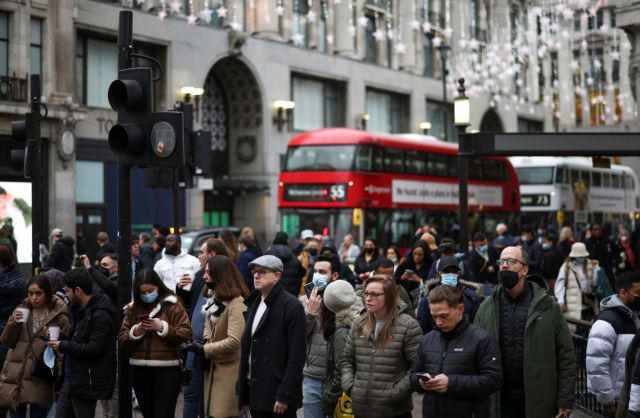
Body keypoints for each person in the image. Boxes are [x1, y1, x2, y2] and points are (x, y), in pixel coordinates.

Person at [474, 246, 575, 418]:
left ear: (525, 270)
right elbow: (474, 353)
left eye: (511, 261)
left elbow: (566, 355)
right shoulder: (487, 307)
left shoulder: (548, 306)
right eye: (501, 261)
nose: (504, 265)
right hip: (499, 402)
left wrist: (565, 400)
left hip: (538, 402)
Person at [410, 285, 502, 418]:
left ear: (460, 309)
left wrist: (451, 383)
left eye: (443, 316)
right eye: (434, 317)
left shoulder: (482, 340)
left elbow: (493, 380)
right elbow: (413, 375)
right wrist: (421, 382)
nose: (439, 322)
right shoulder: (427, 340)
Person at [341, 275, 422, 418]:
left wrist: (396, 392)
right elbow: (347, 359)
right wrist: (350, 386)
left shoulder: (408, 325)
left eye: (375, 294)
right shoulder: (358, 323)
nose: (368, 298)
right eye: (366, 293)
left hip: (394, 411)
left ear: (389, 296)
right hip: (361, 408)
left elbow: (417, 365)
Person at [237, 255, 306, 418]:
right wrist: (243, 390)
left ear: (277, 276)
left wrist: (284, 394)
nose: (256, 275)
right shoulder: (254, 302)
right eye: (254, 271)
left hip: (277, 393)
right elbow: (249, 349)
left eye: (262, 272)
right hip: (255, 389)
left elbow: (297, 356)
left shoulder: (292, 306)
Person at [118, 268, 192, 418]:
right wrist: (136, 331)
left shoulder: (172, 304)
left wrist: (163, 328)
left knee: (164, 413)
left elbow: (186, 333)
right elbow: (122, 338)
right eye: (143, 292)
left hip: (167, 370)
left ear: (158, 286)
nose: (147, 295)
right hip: (139, 370)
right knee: (147, 413)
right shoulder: (133, 309)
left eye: (150, 290)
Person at [49, 268, 116, 418]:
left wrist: (63, 345)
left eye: (67, 291)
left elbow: (95, 349)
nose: (66, 294)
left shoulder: (101, 314)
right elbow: (79, 340)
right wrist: (62, 337)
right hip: (71, 379)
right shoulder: (79, 309)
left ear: (77, 290)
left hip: (86, 382)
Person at [0, 275, 70, 418]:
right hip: (17, 375)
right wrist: (13, 322)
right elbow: (6, 341)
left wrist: (58, 378)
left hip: (41, 375)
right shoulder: (21, 310)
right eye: (30, 293)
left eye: (38, 293)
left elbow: (65, 349)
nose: (34, 298)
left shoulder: (59, 317)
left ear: (47, 293)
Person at [178, 238, 228, 418]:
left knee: (210, 396)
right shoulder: (200, 277)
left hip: (214, 348)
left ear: (212, 255)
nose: (198, 256)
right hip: (194, 345)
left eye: (201, 252)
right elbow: (195, 307)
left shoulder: (228, 282)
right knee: (191, 393)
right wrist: (181, 290)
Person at [299, 253, 348, 418]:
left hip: (337, 379)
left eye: (322, 271)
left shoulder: (346, 300)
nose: (317, 275)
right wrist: (310, 312)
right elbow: (299, 337)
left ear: (334, 276)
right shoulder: (303, 301)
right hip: (313, 376)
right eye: (315, 271)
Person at [586, 271, 640, 418]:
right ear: (623, 292)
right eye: (638, 293)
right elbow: (596, 365)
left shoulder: (633, 317)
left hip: (631, 398)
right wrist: (607, 401)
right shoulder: (606, 322)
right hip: (617, 400)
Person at [201, 256, 249, 418]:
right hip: (214, 369)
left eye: (208, 272)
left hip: (229, 372)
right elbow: (208, 329)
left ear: (220, 274)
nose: (204, 276)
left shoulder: (237, 303)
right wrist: (204, 342)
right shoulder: (214, 299)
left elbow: (235, 340)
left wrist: (205, 349)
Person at [319, 280, 358, 416]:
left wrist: (329, 399)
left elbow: (341, 370)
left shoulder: (341, 332)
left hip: (340, 399)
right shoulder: (354, 322)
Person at [416, 256, 483, 334]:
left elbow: (478, 328)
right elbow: (422, 331)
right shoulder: (428, 300)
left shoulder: (472, 298)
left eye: (454, 271)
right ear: (439, 274)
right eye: (446, 271)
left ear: (458, 274)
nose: (450, 274)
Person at [554, 242, 599, 323]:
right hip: (572, 305)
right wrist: (561, 301)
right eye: (579, 256)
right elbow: (560, 285)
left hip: (588, 305)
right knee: (574, 328)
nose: (581, 258)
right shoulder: (566, 267)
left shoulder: (590, 264)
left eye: (582, 256)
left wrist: (596, 269)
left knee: (588, 328)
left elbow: (595, 283)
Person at [395, 240, 432, 310]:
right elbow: (394, 279)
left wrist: (419, 280)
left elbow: (433, 283)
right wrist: (402, 277)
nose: (416, 257)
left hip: (422, 301)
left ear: (425, 254)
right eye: (414, 254)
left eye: (420, 255)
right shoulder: (406, 263)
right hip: (405, 300)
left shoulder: (430, 265)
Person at [266, 232, 305, 296]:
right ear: (287, 240)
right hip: (291, 296)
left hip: (271, 296)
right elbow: (302, 272)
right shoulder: (293, 255)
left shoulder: (268, 254)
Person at [585, 223, 619, 289]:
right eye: (595, 229)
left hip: (607, 271)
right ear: (591, 231)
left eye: (599, 229)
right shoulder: (587, 243)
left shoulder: (607, 241)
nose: (598, 231)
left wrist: (614, 262)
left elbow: (617, 250)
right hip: (592, 271)